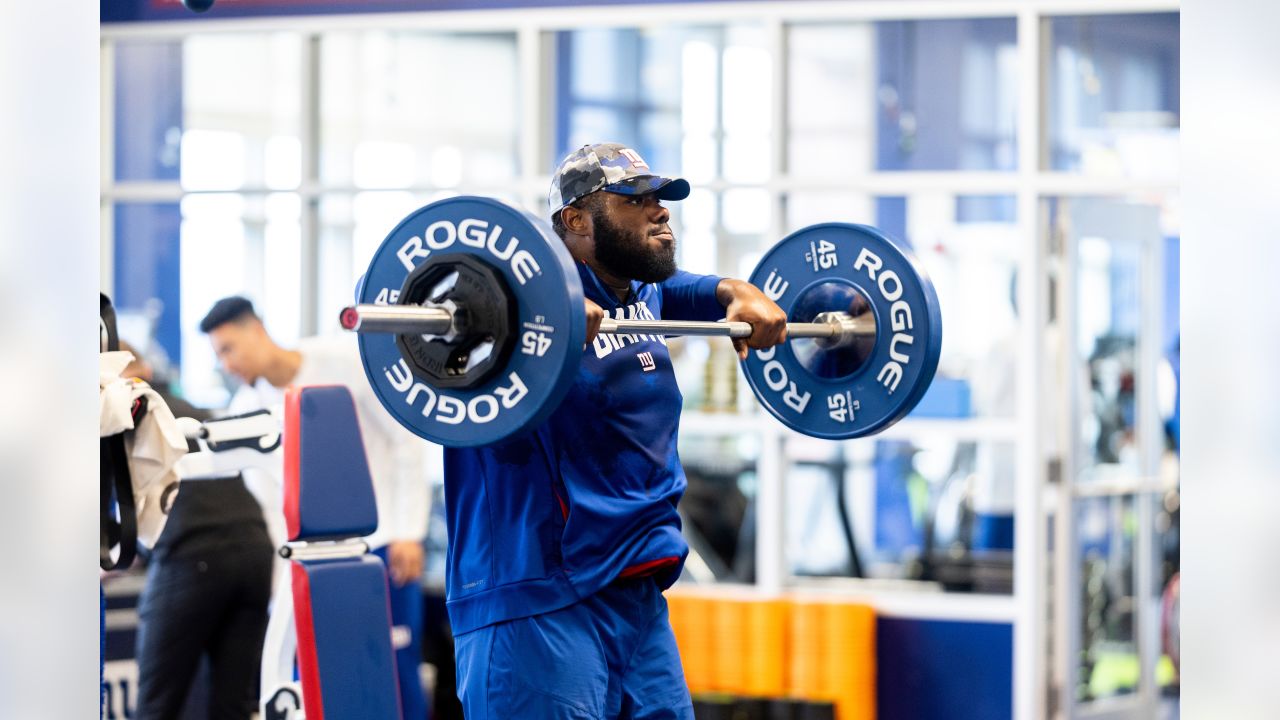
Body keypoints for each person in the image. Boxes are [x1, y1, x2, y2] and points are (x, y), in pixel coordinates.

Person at [444, 142, 789, 719]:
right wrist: (530, 323)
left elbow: (685, 289)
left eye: (660, 198)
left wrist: (734, 291)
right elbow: (396, 292)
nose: (660, 211)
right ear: (574, 220)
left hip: (635, 598)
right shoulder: (504, 309)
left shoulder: (636, 293)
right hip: (538, 597)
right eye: (634, 200)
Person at [198, 297, 433, 719]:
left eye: (228, 349)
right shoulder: (245, 414)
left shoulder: (343, 360)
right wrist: (281, 585)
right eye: (218, 356)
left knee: (394, 672)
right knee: (312, 680)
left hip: (381, 547)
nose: (226, 365)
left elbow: (405, 442)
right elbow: (271, 510)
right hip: (308, 565)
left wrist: (408, 531)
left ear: (256, 330)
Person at [127, 341, 276, 720]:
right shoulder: (189, 408)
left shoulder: (123, 411)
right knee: (235, 707)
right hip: (255, 552)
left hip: (194, 554)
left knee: (157, 707)